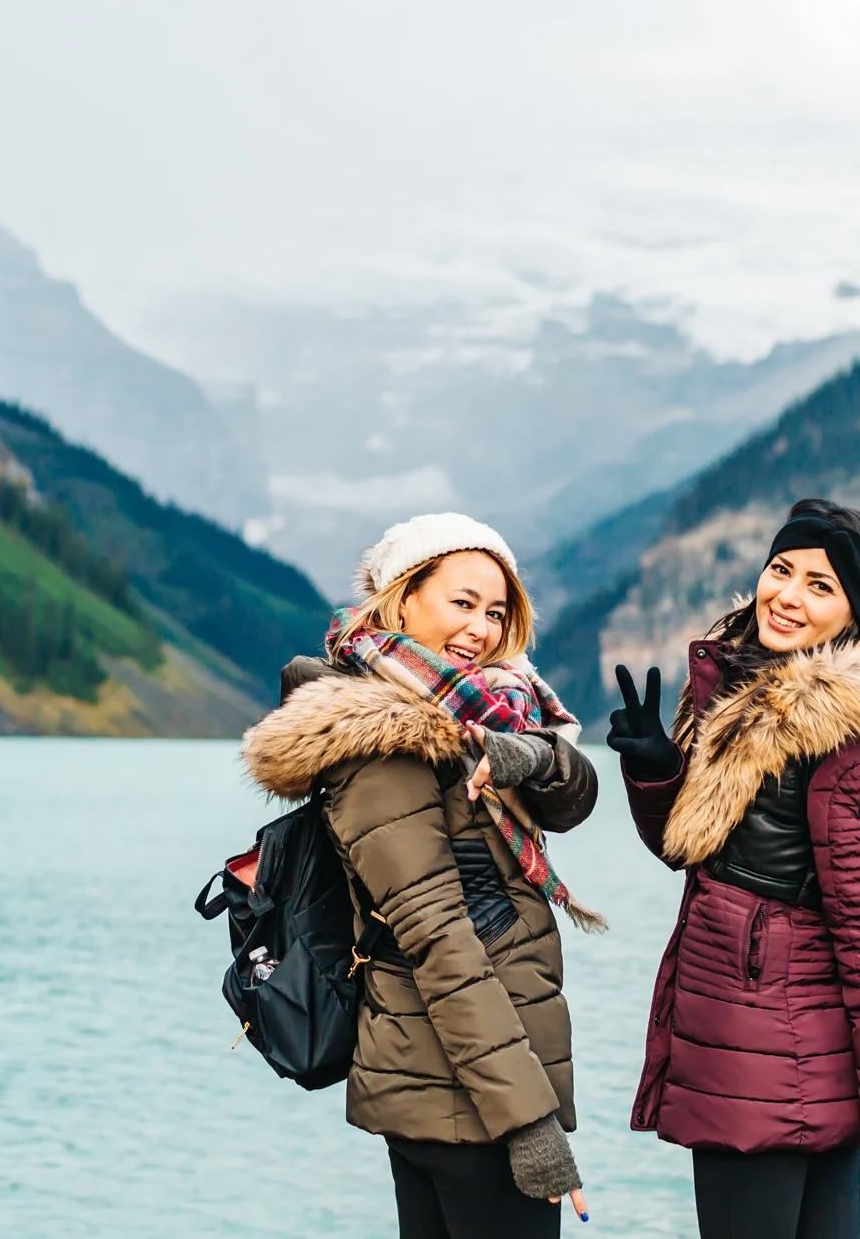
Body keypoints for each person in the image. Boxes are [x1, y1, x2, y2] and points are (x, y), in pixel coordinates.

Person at [242, 512, 600, 1239]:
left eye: (496, 611)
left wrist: (531, 756)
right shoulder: (383, 734)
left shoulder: (476, 716)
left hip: (449, 1086)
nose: (481, 628)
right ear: (402, 598)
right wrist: (527, 1120)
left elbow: (575, 797)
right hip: (469, 1101)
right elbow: (437, 939)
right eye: (461, 602)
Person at [606, 497, 860, 1238]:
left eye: (820, 586)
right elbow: (694, 849)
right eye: (781, 569)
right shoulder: (748, 695)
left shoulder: (845, 744)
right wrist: (659, 771)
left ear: (853, 617)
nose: (788, 594)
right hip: (778, 1051)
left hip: (763, 1062)